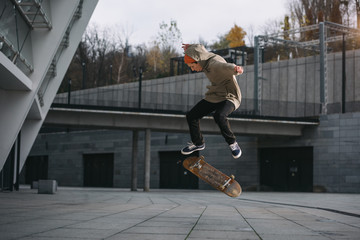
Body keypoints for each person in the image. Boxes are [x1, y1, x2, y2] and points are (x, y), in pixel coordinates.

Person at [180, 43, 243, 159]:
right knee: (192, 116)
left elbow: (224, 66)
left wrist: (235, 69)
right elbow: (200, 48)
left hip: (230, 96)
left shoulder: (213, 64)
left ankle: (233, 143)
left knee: (219, 116)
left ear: (197, 61)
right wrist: (190, 49)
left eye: (192, 67)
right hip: (215, 95)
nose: (193, 70)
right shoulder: (205, 59)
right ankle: (198, 143)